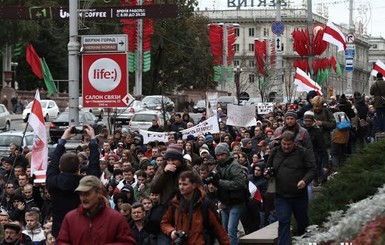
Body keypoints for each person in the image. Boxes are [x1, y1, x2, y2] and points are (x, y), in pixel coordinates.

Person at [46, 125, 101, 238]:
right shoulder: (87, 184)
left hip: (60, 232)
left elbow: (53, 163)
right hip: (83, 232)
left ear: (60, 167)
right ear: (79, 168)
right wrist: (93, 140)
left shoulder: (53, 182)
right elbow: (94, 166)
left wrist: (63, 140)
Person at [265, 131, 316, 245]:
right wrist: (268, 174)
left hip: (299, 195)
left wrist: (305, 180)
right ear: (280, 142)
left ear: (294, 143)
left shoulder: (302, 152)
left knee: (302, 222)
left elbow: (312, 169)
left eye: (289, 144)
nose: (286, 147)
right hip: (281, 195)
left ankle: (304, 242)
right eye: (284, 144)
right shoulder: (274, 152)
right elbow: (268, 169)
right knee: (283, 221)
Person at [57, 175, 136, 244]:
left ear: (99, 193)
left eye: (87, 194)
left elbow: (128, 242)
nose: (83, 198)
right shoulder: (70, 218)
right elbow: (61, 241)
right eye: (81, 194)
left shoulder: (116, 218)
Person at [161, 170, 230, 245]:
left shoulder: (204, 204)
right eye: (179, 184)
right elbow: (164, 222)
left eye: (185, 184)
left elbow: (219, 230)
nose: (181, 187)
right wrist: (172, 232)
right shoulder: (175, 203)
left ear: (194, 185)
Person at [211, 143, 249, 245]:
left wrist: (219, 182)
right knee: (224, 231)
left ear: (227, 154)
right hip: (225, 202)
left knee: (231, 230)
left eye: (222, 154)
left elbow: (239, 183)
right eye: (218, 155)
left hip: (236, 202)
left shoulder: (234, 165)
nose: (220, 157)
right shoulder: (218, 166)